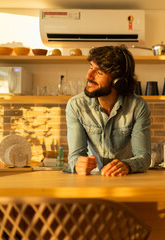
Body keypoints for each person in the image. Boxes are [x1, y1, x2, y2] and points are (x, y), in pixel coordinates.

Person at [63, 46, 151, 176]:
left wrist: (127, 165)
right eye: (90, 67)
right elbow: (75, 156)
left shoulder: (137, 106)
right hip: (90, 182)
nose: (88, 76)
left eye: (99, 72)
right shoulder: (76, 105)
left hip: (125, 181)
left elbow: (143, 157)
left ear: (118, 81)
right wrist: (77, 164)